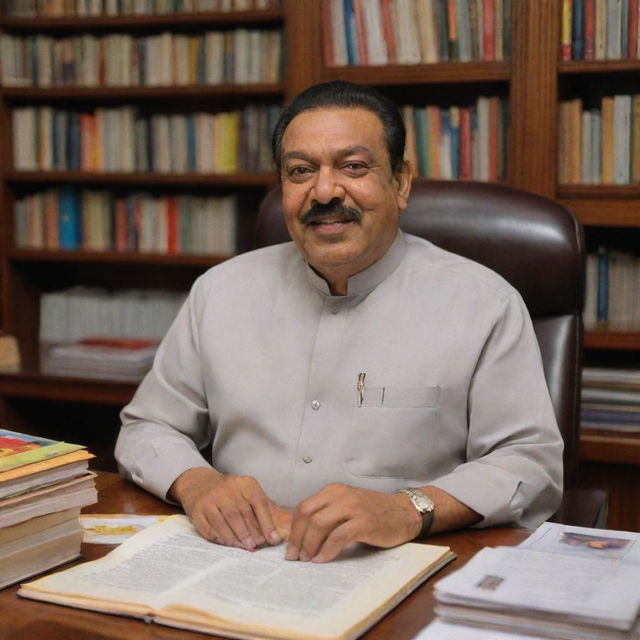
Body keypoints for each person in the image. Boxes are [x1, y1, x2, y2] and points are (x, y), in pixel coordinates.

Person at [115, 81, 563, 563]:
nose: (324, 191)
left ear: (401, 182)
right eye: (300, 171)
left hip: (399, 562)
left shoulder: (483, 302)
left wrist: (408, 508)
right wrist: (199, 483)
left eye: (353, 167)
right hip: (236, 556)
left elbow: (527, 461)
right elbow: (147, 426)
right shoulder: (221, 292)